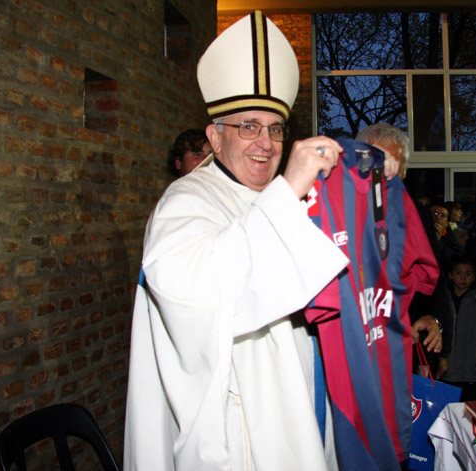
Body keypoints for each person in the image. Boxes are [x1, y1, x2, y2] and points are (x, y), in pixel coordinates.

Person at [124, 12, 349, 471]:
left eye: (274, 128)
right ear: (214, 136)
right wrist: (288, 191)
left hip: (304, 404)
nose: (264, 143)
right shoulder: (185, 201)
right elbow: (198, 292)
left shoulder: (284, 198)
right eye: (248, 126)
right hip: (239, 433)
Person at [355, 123, 442, 356]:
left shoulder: (415, 214)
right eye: (378, 161)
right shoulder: (337, 211)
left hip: (398, 346)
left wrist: (428, 317)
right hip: (351, 342)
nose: (387, 172)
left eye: (395, 165)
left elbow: (431, 278)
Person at [437, 253, 476, 401]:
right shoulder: (442, 300)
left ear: (474, 277)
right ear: (450, 275)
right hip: (446, 371)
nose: (463, 278)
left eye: (468, 274)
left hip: (473, 372)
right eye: (458, 273)